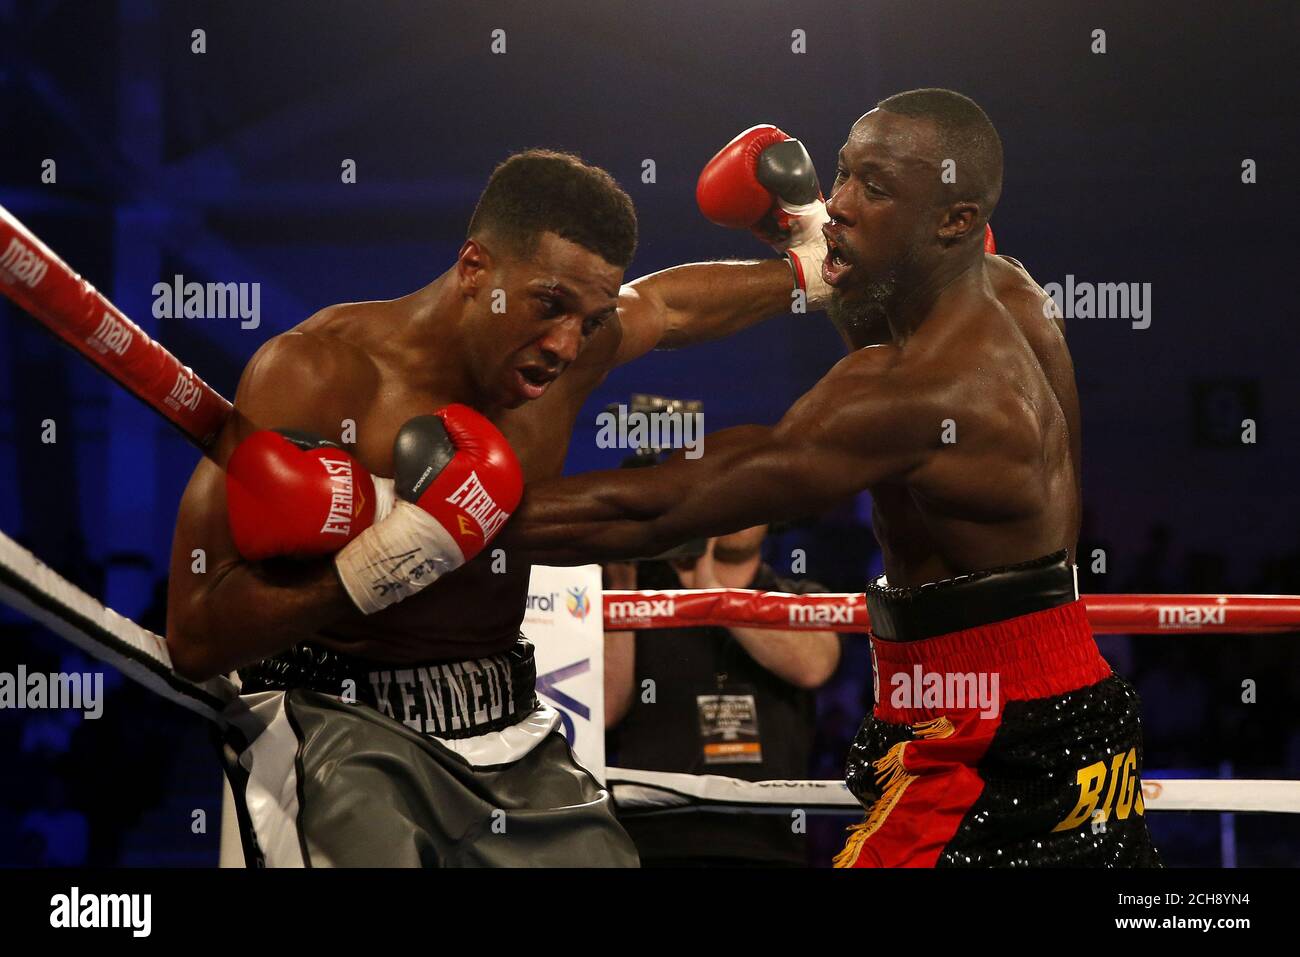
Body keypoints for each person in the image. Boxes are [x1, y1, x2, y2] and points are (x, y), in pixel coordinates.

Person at [502, 90, 1162, 867]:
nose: (840, 201)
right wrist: (808, 229)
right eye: (842, 175)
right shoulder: (1009, 292)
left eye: (872, 189)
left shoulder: (925, 390)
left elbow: (670, 509)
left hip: (987, 738)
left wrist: (442, 511)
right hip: (1061, 711)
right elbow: (884, 309)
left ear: (954, 218)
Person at [165, 148, 824, 866]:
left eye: (589, 318)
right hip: (339, 717)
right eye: (548, 305)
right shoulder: (319, 373)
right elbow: (197, 636)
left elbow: (665, 305)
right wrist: (387, 558)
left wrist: (812, 274)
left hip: (506, 719)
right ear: (475, 268)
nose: (567, 345)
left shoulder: (569, 350)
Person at [605, 525, 839, 866]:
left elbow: (813, 666)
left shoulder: (795, 596)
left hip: (767, 844)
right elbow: (607, 707)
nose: (739, 512)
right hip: (653, 842)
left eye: (749, 495)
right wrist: (623, 587)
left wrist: (714, 594)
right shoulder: (635, 593)